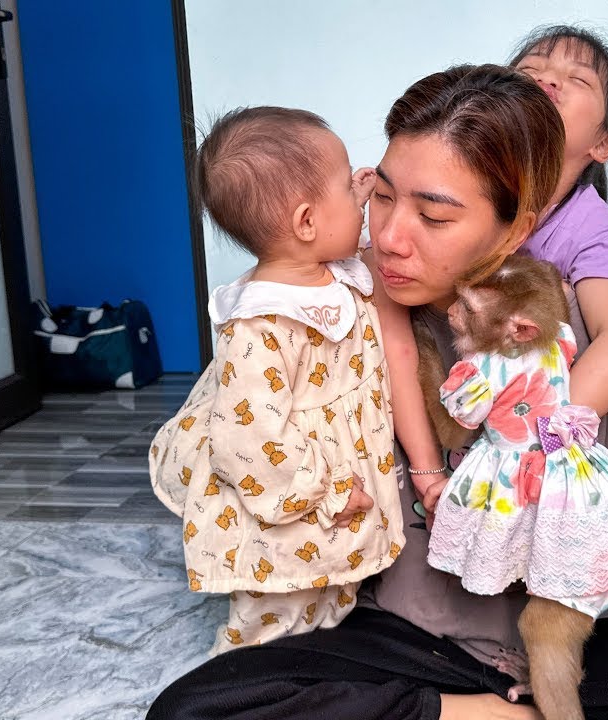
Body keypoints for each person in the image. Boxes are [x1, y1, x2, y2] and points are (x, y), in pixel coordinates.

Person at [148, 67, 608, 720]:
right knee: (197, 710)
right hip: (397, 644)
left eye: (433, 214)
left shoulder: (565, 327)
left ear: (512, 230)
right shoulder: (328, 316)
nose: (391, 236)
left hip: (574, 652)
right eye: (382, 197)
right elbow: (228, 440)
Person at [148, 106, 404, 657]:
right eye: (346, 185)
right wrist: (329, 491)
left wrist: (353, 199)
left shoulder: (327, 271)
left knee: (326, 597)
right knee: (276, 612)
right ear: (308, 222)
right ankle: (243, 687)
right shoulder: (263, 325)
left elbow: (339, 234)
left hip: (331, 493)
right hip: (293, 495)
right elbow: (249, 443)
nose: (359, 197)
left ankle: (319, 663)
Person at [387, 27, 608, 526]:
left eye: (576, 80)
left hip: (517, 435)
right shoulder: (443, 179)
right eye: (532, 71)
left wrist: (526, 438)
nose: (548, 82)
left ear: (603, 143)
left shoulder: (589, 228)